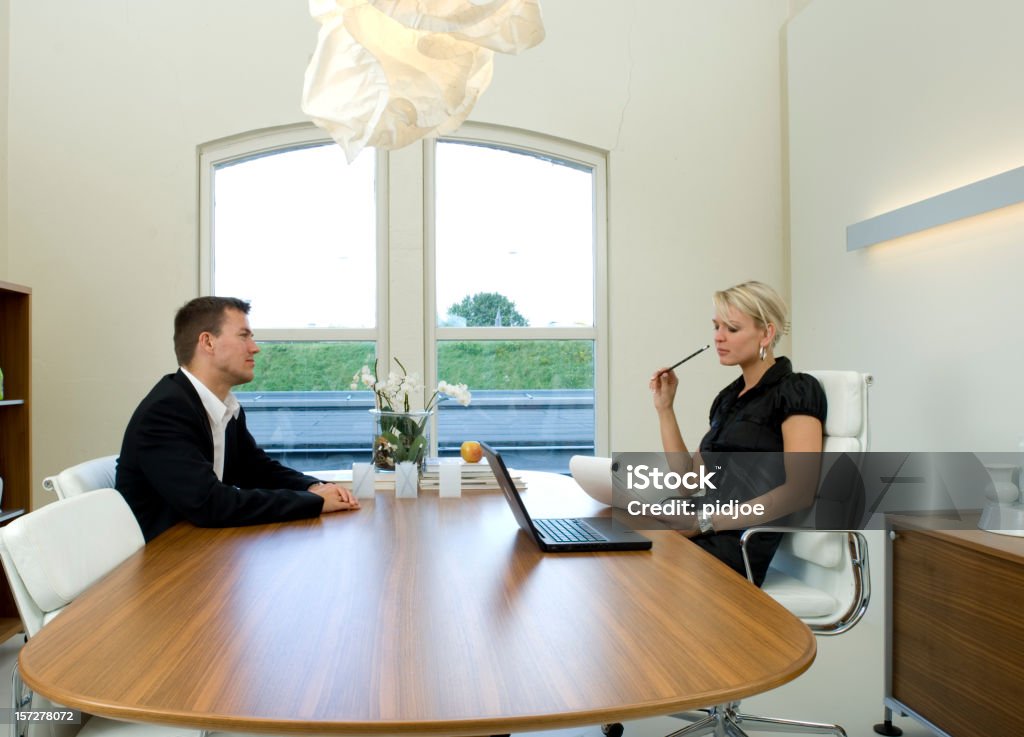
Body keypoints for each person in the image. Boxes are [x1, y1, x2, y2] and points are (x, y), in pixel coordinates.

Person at [117, 296, 360, 541]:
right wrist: (314, 502)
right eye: (244, 336)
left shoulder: (225, 406)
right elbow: (210, 504)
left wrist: (312, 486)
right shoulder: (166, 411)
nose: (255, 347)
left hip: (202, 549)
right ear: (208, 342)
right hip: (164, 565)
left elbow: (256, 469)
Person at [649, 281, 826, 586]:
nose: (718, 337)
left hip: (736, 549)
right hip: (702, 532)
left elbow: (799, 490)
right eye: (717, 326)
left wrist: (703, 523)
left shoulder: (796, 389)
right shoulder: (729, 398)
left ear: (766, 333)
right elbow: (688, 484)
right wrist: (665, 410)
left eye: (731, 328)